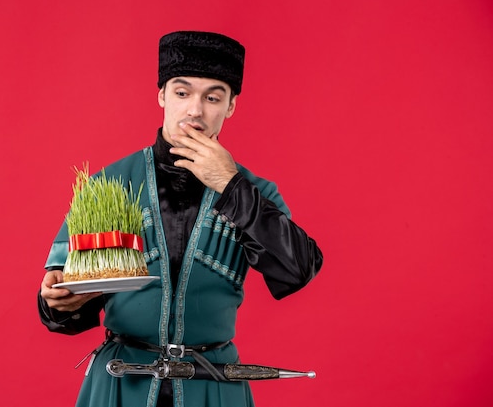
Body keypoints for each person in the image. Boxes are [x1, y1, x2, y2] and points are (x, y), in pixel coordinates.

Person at [38, 30, 323, 407]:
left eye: (213, 97)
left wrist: (229, 184)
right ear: (162, 96)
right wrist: (58, 302)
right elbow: (64, 310)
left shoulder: (255, 192)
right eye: (182, 92)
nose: (195, 110)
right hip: (122, 385)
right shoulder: (107, 186)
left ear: (231, 106)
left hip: (214, 386)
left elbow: (298, 270)